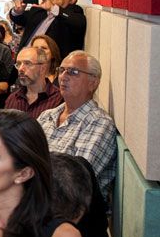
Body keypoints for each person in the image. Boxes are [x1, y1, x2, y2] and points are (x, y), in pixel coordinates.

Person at [37, 51, 116, 201]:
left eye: (73, 72)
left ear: (93, 83)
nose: (63, 76)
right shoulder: (47, 116)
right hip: (37, 198)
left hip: (71, 212)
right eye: (61, 70)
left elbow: (75, 180)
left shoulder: (99, 122)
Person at [11, 0, 87, 59]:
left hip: (48, 65)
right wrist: (17, 11)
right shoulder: (39, 10)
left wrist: (53, 8)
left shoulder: (75, 12)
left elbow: (78, 23)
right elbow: (19, 19)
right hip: (22, 57)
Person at [5, 47, 63, 118]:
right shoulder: (12, 99)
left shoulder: (59, 99)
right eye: (18, 64)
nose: (20, 69)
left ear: (42, 68)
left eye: (27, 63)